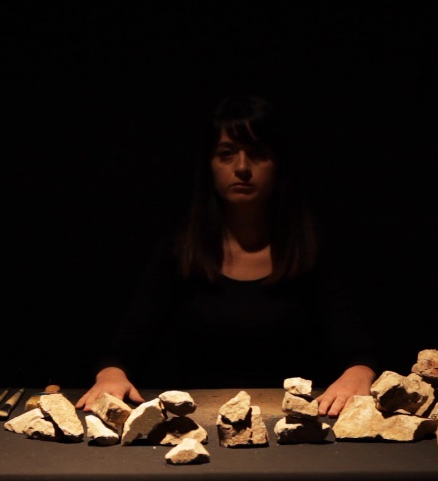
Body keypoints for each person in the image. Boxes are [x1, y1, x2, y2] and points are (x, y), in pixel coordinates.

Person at [74, 93, 378, 418]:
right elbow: (123, 352)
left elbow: (358, 351)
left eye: (257, 153)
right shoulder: (180, 251)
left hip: (294, 426)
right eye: (227, 154)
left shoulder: (311, 251)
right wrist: (111, 374)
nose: (242, 167)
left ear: (278, 163)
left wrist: (359, 371)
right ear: (210, 164)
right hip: (195, 428)